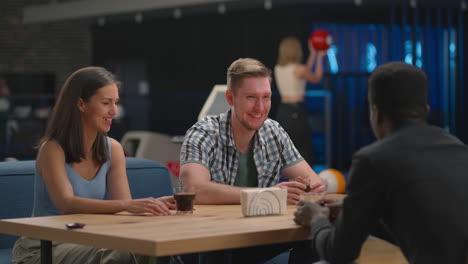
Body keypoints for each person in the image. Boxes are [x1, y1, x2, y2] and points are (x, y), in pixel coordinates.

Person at [294, 62, 468, 264]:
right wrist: (356, 209)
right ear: (426, 110)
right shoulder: (458, 149)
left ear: (376, 112)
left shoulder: (373, 159)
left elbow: (338, 253)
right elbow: (428, 222)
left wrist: (316, 219)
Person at [12, 66, 176, 264]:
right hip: (43, 248)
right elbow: (66, 204)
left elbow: (124, 206)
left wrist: (152, 204)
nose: (114, 111)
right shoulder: (52, 149)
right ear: (81, 104)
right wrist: (130, 205)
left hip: (89, 240)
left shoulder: (113, 149)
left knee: (152, 248)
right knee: (122, 254)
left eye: (116, 102)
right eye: (106, 103)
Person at [179, 58, 325, 263]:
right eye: (251, 97)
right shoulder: (203, 132)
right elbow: (194, 190)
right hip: (208, 238)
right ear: (230, 97)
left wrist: (307, 188)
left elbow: (315, 183)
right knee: (217, 248)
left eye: (266, 97)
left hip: (255, 237)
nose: (260, 107)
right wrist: (267, 195)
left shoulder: (273, 130)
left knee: (315, 235)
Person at [274, 36, 326, 165]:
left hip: (283, 111)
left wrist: (313, 54)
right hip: (296, 111)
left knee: (285, 147)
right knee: (303, 148)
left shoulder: (278, 68)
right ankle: (305, 181)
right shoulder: (299, 70)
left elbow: (304, 70)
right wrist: (320, 57)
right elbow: (316, 77)